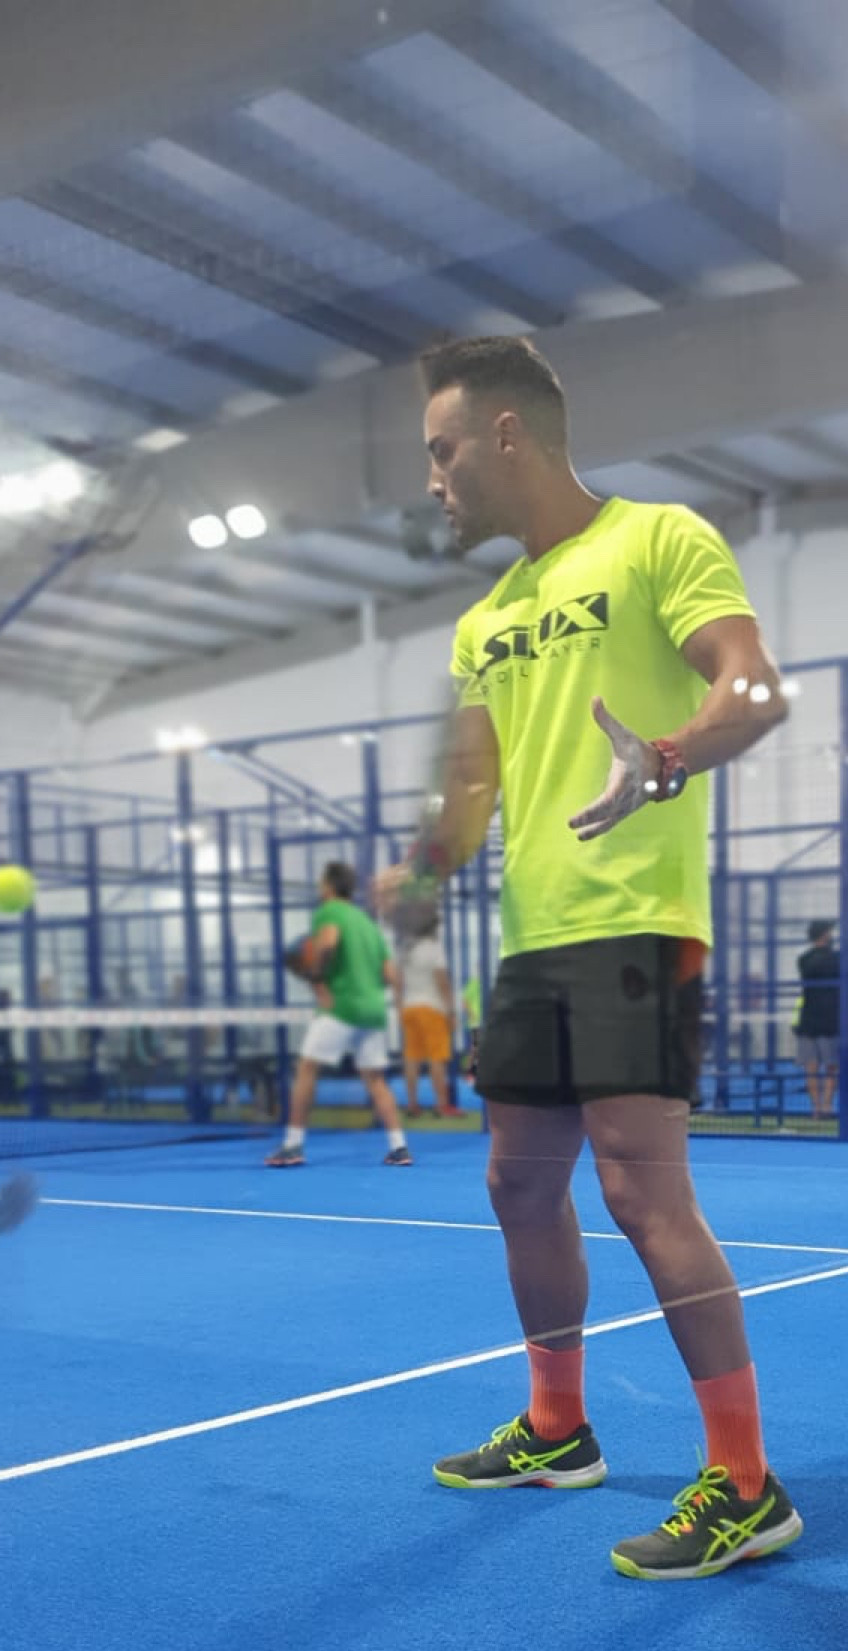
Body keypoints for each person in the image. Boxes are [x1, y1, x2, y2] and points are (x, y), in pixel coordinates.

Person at [376, 332, 800, 1581]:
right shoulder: (485, 620)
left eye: (444, 450)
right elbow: (470, 792)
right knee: (518, 1186)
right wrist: (423, 873)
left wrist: (664, 757)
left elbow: (756, 690)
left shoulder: (658, 539)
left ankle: (746, 1485)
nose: (435, 480)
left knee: (640, 1193)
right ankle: (557, 1428)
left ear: (508, 433)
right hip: (533, 940)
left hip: (637, 921)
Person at [266, 861, 412, 1167]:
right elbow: (391, 974)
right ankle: (399, 1147)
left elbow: (328, 943)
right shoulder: (367, 923)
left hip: (342, 1007)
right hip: (373, 1011)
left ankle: (292, 1145)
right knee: (376, 1080)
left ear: (328, 885)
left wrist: (316, 978)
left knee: (307, 1069)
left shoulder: (329, 911)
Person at [397, 902, 462, 1117]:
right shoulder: (434, 948)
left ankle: (412, 1104)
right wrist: (451, 1012)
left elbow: (398, 982)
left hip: (409, 1007)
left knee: (412, 1058)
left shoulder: (405, 949)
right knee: (436, 1058)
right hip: (432, 1008)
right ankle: (441, 1105)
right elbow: (442, 982)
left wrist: (399, 1007)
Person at [795, 917, 840, 1120]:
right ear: (825, 934)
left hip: (809, 1019)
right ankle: (826, 1107)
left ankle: (818, 1108)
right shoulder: (836, 958)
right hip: (830, 1020)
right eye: (830, 931)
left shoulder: (804, 959)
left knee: (812, 1067)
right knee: (830, 1067)